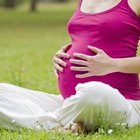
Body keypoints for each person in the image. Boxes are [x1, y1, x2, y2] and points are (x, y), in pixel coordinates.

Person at [0, 0, 140, 133]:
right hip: (69, 102)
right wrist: (61, 57)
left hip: (117, 101)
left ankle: (46, 122)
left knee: (93, 92)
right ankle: (61, 127)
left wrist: (113, 64)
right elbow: (88, 38)